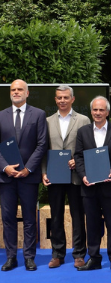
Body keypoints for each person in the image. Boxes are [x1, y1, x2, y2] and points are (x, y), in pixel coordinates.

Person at [74, 96, 111, 273]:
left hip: (110, 186)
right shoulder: (82, 132)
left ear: (107, 112)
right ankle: (94, 258)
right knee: (92, 224)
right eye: (95, 110)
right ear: (91, 112)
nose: (98, 113)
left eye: (101, 110)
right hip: (89, 187)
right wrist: (82, 175)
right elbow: (78, 156)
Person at [0, 79, 47, 271]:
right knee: (8, 218)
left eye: (20, 89)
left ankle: (29, 257)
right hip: (6, 178)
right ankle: (11, 257)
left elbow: (42, 144)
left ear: (27, 93)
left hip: (29, 177)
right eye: (13, 90)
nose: (16, 92)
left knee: (29, 218)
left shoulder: (38, 114)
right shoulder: (0, 116)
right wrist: (5, 167)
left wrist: (28, 168)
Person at [42, 85, 90, 269]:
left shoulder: (83, 120)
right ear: (55, 100)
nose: (62, 100)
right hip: (54, 176)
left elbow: (89, 146)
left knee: (78, 216)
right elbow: (43, 150)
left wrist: (78, 162)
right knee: (56, 216)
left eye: (65, 97)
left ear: (73, 99)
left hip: (76, 176)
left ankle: (79, 254)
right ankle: (57, 254)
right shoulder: (46, 121)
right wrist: (44, 172)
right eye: (59, 97)